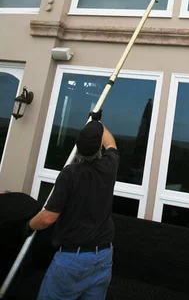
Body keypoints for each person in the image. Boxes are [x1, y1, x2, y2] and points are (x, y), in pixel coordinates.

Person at [26, 110, 119, 300]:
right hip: (103, 256)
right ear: (98, 147)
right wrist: (98, 124)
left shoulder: (70, 174)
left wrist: (28, 225)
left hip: (73, 260)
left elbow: (47, 218)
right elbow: (111, 143)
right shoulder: (110, 167)